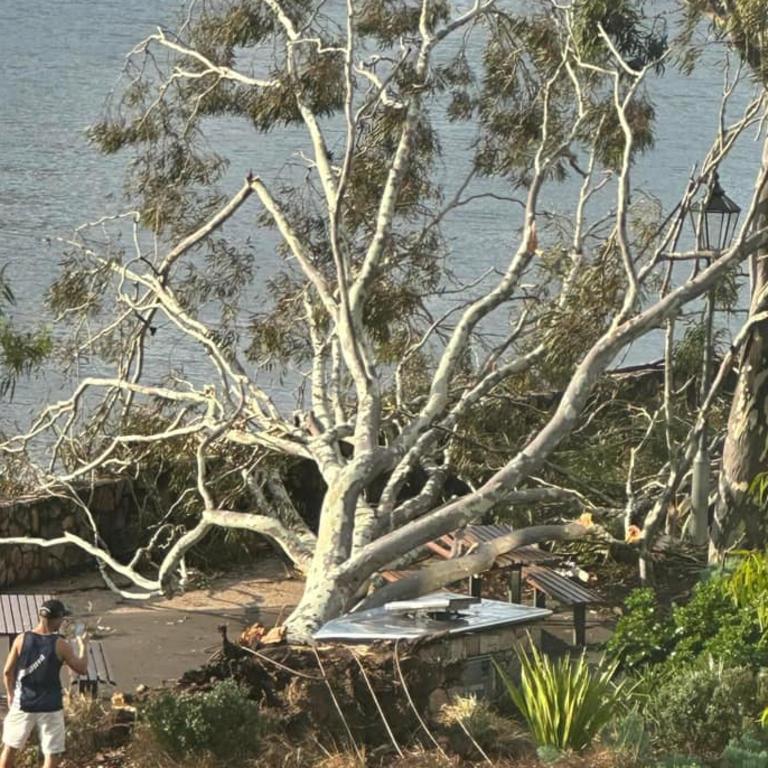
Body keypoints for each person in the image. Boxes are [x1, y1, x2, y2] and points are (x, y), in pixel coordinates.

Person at [0, 599, 89, 768]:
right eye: (62, 618)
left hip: (23, 702)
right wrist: (84, 645)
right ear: (56, 619)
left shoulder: (21, 639)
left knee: (10, 747)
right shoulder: (60, 644)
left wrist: (11, 694)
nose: (63, 622)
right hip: (50, 705)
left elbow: (7, 672)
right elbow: (82, 669)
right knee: (52, 751)